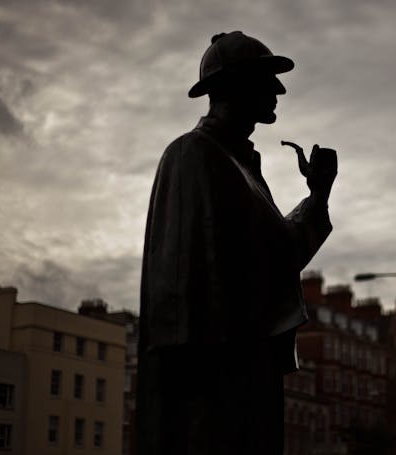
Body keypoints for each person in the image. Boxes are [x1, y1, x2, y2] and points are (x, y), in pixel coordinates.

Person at [136, 31, 337, 454]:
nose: (279, 90)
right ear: (236, 85)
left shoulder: (238, 164)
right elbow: (176, 294)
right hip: (215, 386)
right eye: (268, 78)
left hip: (247, 373)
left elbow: (277, 257)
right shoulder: (193, 156)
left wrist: (318, 196)